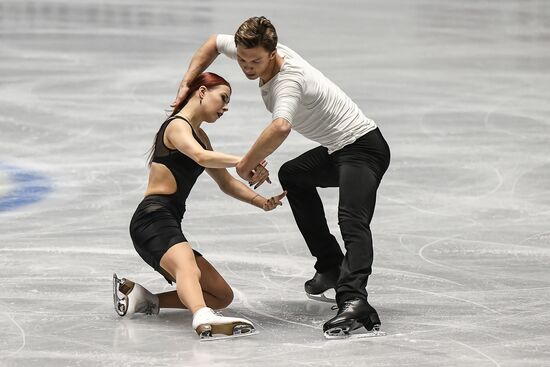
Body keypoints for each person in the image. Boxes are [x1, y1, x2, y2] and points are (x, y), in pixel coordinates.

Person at [172, 17, 390, 338]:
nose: (247, 67)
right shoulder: (250, 50)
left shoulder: (289, 80)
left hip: (364, 148)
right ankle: (330, 266)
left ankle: (355, 300)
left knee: (351, 220)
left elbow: (281, 127)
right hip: (337, 150)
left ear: (273, 53)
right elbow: (212, 44)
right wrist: (185, 85)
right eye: (243, 60)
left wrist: (248, 162)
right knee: (294, 175)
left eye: (256, 61)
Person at [114, 71, 287, 340]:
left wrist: (262, 202)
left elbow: (226, 183)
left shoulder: (202, 136)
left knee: (220, 294)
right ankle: (202, 315)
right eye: (223, 98)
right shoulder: (176, 126)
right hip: (152, 219)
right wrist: (247, 160)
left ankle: (146, 301)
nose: (226, 107)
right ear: (203, 92)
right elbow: (199, 156)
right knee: (188, 269)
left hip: (168, 219)